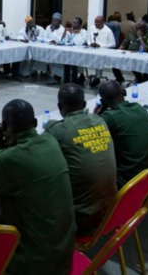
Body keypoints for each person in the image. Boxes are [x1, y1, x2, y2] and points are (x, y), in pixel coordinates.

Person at [0, 99, 76, 274]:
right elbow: (20, 157)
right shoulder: (50, 141)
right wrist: (8, 142)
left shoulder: (7, 160)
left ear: (5, 125)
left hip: (33, 263)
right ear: (35, 123)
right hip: (63, 253)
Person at [45, 84, 117, 236]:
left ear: (59, 106)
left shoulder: (59, 130)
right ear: (85, 105)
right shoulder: (100, 121)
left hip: (81, 220)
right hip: (112, 210)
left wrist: (51, 125)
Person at [95, 81, 148, 188]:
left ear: (102, 101)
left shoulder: (110, 117)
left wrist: (96, 116)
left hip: (128, 180)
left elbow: (93, 133)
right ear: (124, 92)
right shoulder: (139, 108)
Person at [87, 15, 116, 87]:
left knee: (99, 58)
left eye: (98, 22)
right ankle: (81, 75)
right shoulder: (91, 28)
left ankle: (97, 78)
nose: (96, 24)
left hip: (103, 51)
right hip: (92, 49)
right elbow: (88, 39)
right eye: (95, 22)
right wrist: (90, 43)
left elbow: (113, 44)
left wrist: (101, 46)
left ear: (103, 22)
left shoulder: (108, 31)